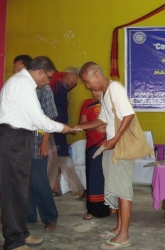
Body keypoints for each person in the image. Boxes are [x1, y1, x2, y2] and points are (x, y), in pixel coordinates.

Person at [0, 56, 73, 250]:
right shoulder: (22, 84)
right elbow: (38, 118)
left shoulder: (25, 84)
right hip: (12, 139)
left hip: (21, 138)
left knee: (21, 190)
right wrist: (63, 128)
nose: (47, 83)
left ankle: (21, 233)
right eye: (47, 78)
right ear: (39, 72)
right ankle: (14, 242)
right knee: (13, 192)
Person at [73, 62, 134, 249]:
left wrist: (114, 139)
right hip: (111, 145)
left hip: (120, 146)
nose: (87, 86)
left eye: (87, 81)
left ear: (96, 75)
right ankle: (118, 228)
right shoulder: (106, 94)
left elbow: (128, 115)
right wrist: (80, 127)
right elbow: (103, 120)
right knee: (115, 187)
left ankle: (124, 235)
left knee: (123, 191)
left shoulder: (115, 88)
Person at [48, 68, 84, 196]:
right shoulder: (57, 86)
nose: (74, 81)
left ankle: (49, 188)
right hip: (57, 128)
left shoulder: (60, 87)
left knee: (55, 159)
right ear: (67, 74)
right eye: (74, 77)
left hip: (57, 127)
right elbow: (53, 109)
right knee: (63, 157)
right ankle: (77, 190)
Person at [79, 89, 110, 220]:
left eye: (98, 90)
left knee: (108, 177)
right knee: (93, 177)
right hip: (92, 145)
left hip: (108, 145)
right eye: (93, 90)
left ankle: (111, 207)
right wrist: (95, 126)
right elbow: (82, 124)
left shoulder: (110, 104)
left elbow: (118, 123)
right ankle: (92, 209)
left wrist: (105, 126)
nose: (96, 93)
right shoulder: (87, 104)